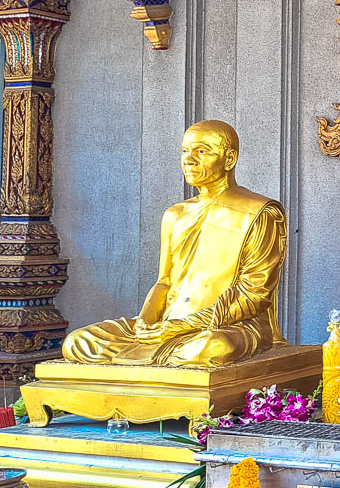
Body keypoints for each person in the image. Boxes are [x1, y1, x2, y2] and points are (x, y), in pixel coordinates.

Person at [61, 121, 287, 368]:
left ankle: (168, 353)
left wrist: (181, 327)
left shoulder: (258, 212)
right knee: (77, 342)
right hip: (169, 319)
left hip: (228, 325)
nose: (189, 160)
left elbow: (254, 294)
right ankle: (159, 352)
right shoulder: (175, 215)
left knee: (210, 348)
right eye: (184, 151)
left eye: (202, 151)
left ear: (229, 158)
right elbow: (165, 282)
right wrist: (144, 324)